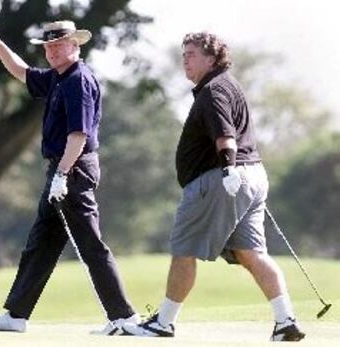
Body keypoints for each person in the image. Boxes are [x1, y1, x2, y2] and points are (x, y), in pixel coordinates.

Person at [123, 31, 305, 342]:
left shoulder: (213, 90)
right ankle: (285, 321)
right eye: (183, 55)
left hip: (223, 179)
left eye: (191, 55)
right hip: (252, 177)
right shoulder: (229, 84)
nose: (185, 61)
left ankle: (163, 323)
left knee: (184, 249)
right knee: (251, 253)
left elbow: (226, 135)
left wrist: (230, 169)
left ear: (212, 58)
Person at [0, 19, 139, 335]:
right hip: (61, 170)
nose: (51, 51)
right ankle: (16, 315)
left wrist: (62, 175)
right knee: (41, 243)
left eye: (59, 44)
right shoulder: (57, 77)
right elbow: (22, 72)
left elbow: (78, 135)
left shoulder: (78, 80)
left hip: (73, 169)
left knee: (90, 244)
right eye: (48, 46)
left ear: (75, 46)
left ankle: (124, 318)